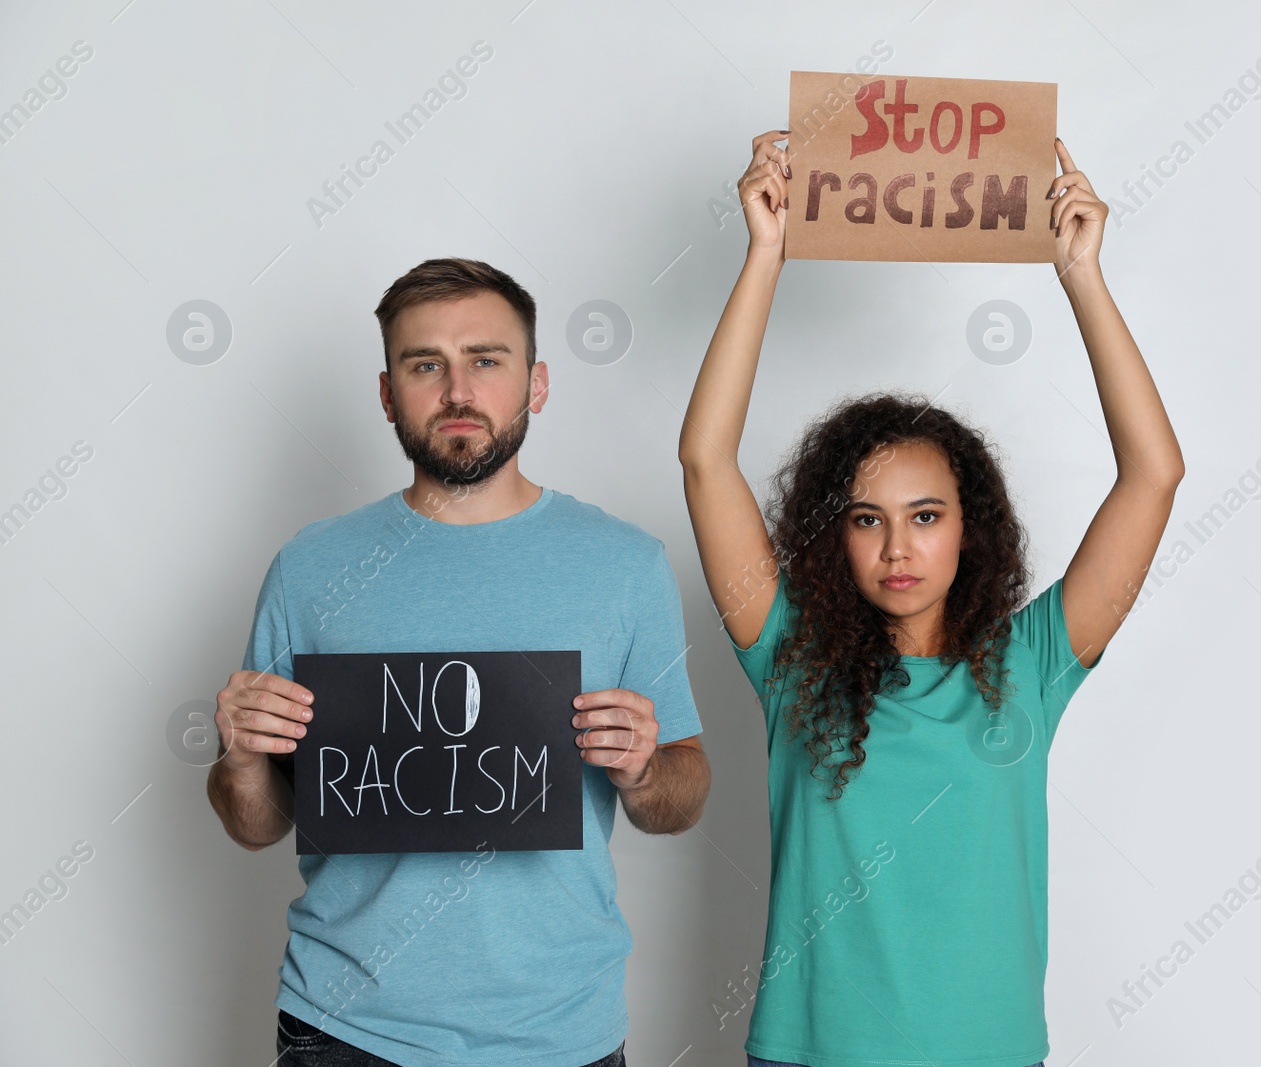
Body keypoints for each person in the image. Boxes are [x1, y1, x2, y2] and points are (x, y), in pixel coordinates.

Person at [679, 131, 1183, 1067]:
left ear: (969, 527)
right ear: (835, 537)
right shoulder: (793, 658)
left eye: (925, 515)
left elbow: (1154, 473)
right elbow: (707, 460)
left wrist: (1081, 277)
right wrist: (765, 256)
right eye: (867, 519)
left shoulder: (1032, 663)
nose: (899, 545)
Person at [207, 257, 712, 1067]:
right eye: (425, 365)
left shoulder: (624, 564)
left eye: (486, 359)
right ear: (386, 394)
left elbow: (681, 797)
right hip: (345, 1028)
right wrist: (238, 759)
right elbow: (256, 823)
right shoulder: (309, 567)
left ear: (536, 383)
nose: (457, 391)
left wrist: (646, 771)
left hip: (559, 1029)